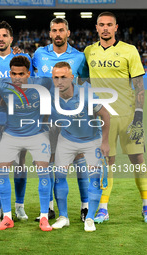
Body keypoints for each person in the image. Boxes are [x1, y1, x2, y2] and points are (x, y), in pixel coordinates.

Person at [84, 12, 147, 223]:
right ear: (96, 27)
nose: (105, 28)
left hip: (128, 115)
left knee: (138, 159)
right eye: (101, 25)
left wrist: (138, 117)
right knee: (106, 161)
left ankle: (146, 205)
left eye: (109, 25)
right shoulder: (88, 51)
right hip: (104, 118)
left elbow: (139, 86)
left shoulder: (129, 51)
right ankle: (103, 208)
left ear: (116, 27)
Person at [32, 17, 90, 222]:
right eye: (54, 30)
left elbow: (85, 83)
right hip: (46, 117)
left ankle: (85, 208)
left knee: (79, 161)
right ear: (50, 33)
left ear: (68, 33)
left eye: (61, 30)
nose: (58, 34)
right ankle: (49, 208)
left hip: (73, 117)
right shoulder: (38, 54)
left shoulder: (80, 57)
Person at [0, 55, 53, 231]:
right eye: (14, 73)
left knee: (43, 171)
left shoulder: (43, 83)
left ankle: (44, 218)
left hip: (37, 134)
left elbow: (63, 86)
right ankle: (7, 217)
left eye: (21, 74)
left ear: (29, 73)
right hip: (11, 134)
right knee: (2, 172)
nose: (17, 77)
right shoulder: (2, 84)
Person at [0, 21, 33, 221]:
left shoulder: (23, 58)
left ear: (11, 39)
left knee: (19, 164)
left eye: (5, 35)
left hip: (18, 117)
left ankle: (19, 206)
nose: (1, 39)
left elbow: (30, 84)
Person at [50, 62, 110, 232]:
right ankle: (63, 217)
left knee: (94, 179)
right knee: (59, 176)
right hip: (67, 138)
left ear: (72, 78)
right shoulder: (51, 96)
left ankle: (90, 218)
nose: (59, 81)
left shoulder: (86, 93)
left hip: (92, 139)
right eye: (56, 77)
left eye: (63, 77)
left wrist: (105, 142)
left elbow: (105, 115)